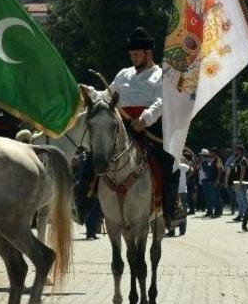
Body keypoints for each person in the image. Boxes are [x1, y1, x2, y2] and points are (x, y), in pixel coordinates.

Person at [79, 27, 186, 228]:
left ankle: (172, 209)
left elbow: (161, 102)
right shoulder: (123, 74)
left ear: (148, 53)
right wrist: (91, 92)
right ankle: (83, 203)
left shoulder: (161, 75)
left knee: (168, 162)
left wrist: (145, 119)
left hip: (147, 130)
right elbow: (107, 96)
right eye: (131, 55)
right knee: (92, 156)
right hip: (120, 127)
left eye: (136, 54)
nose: (133, 58)